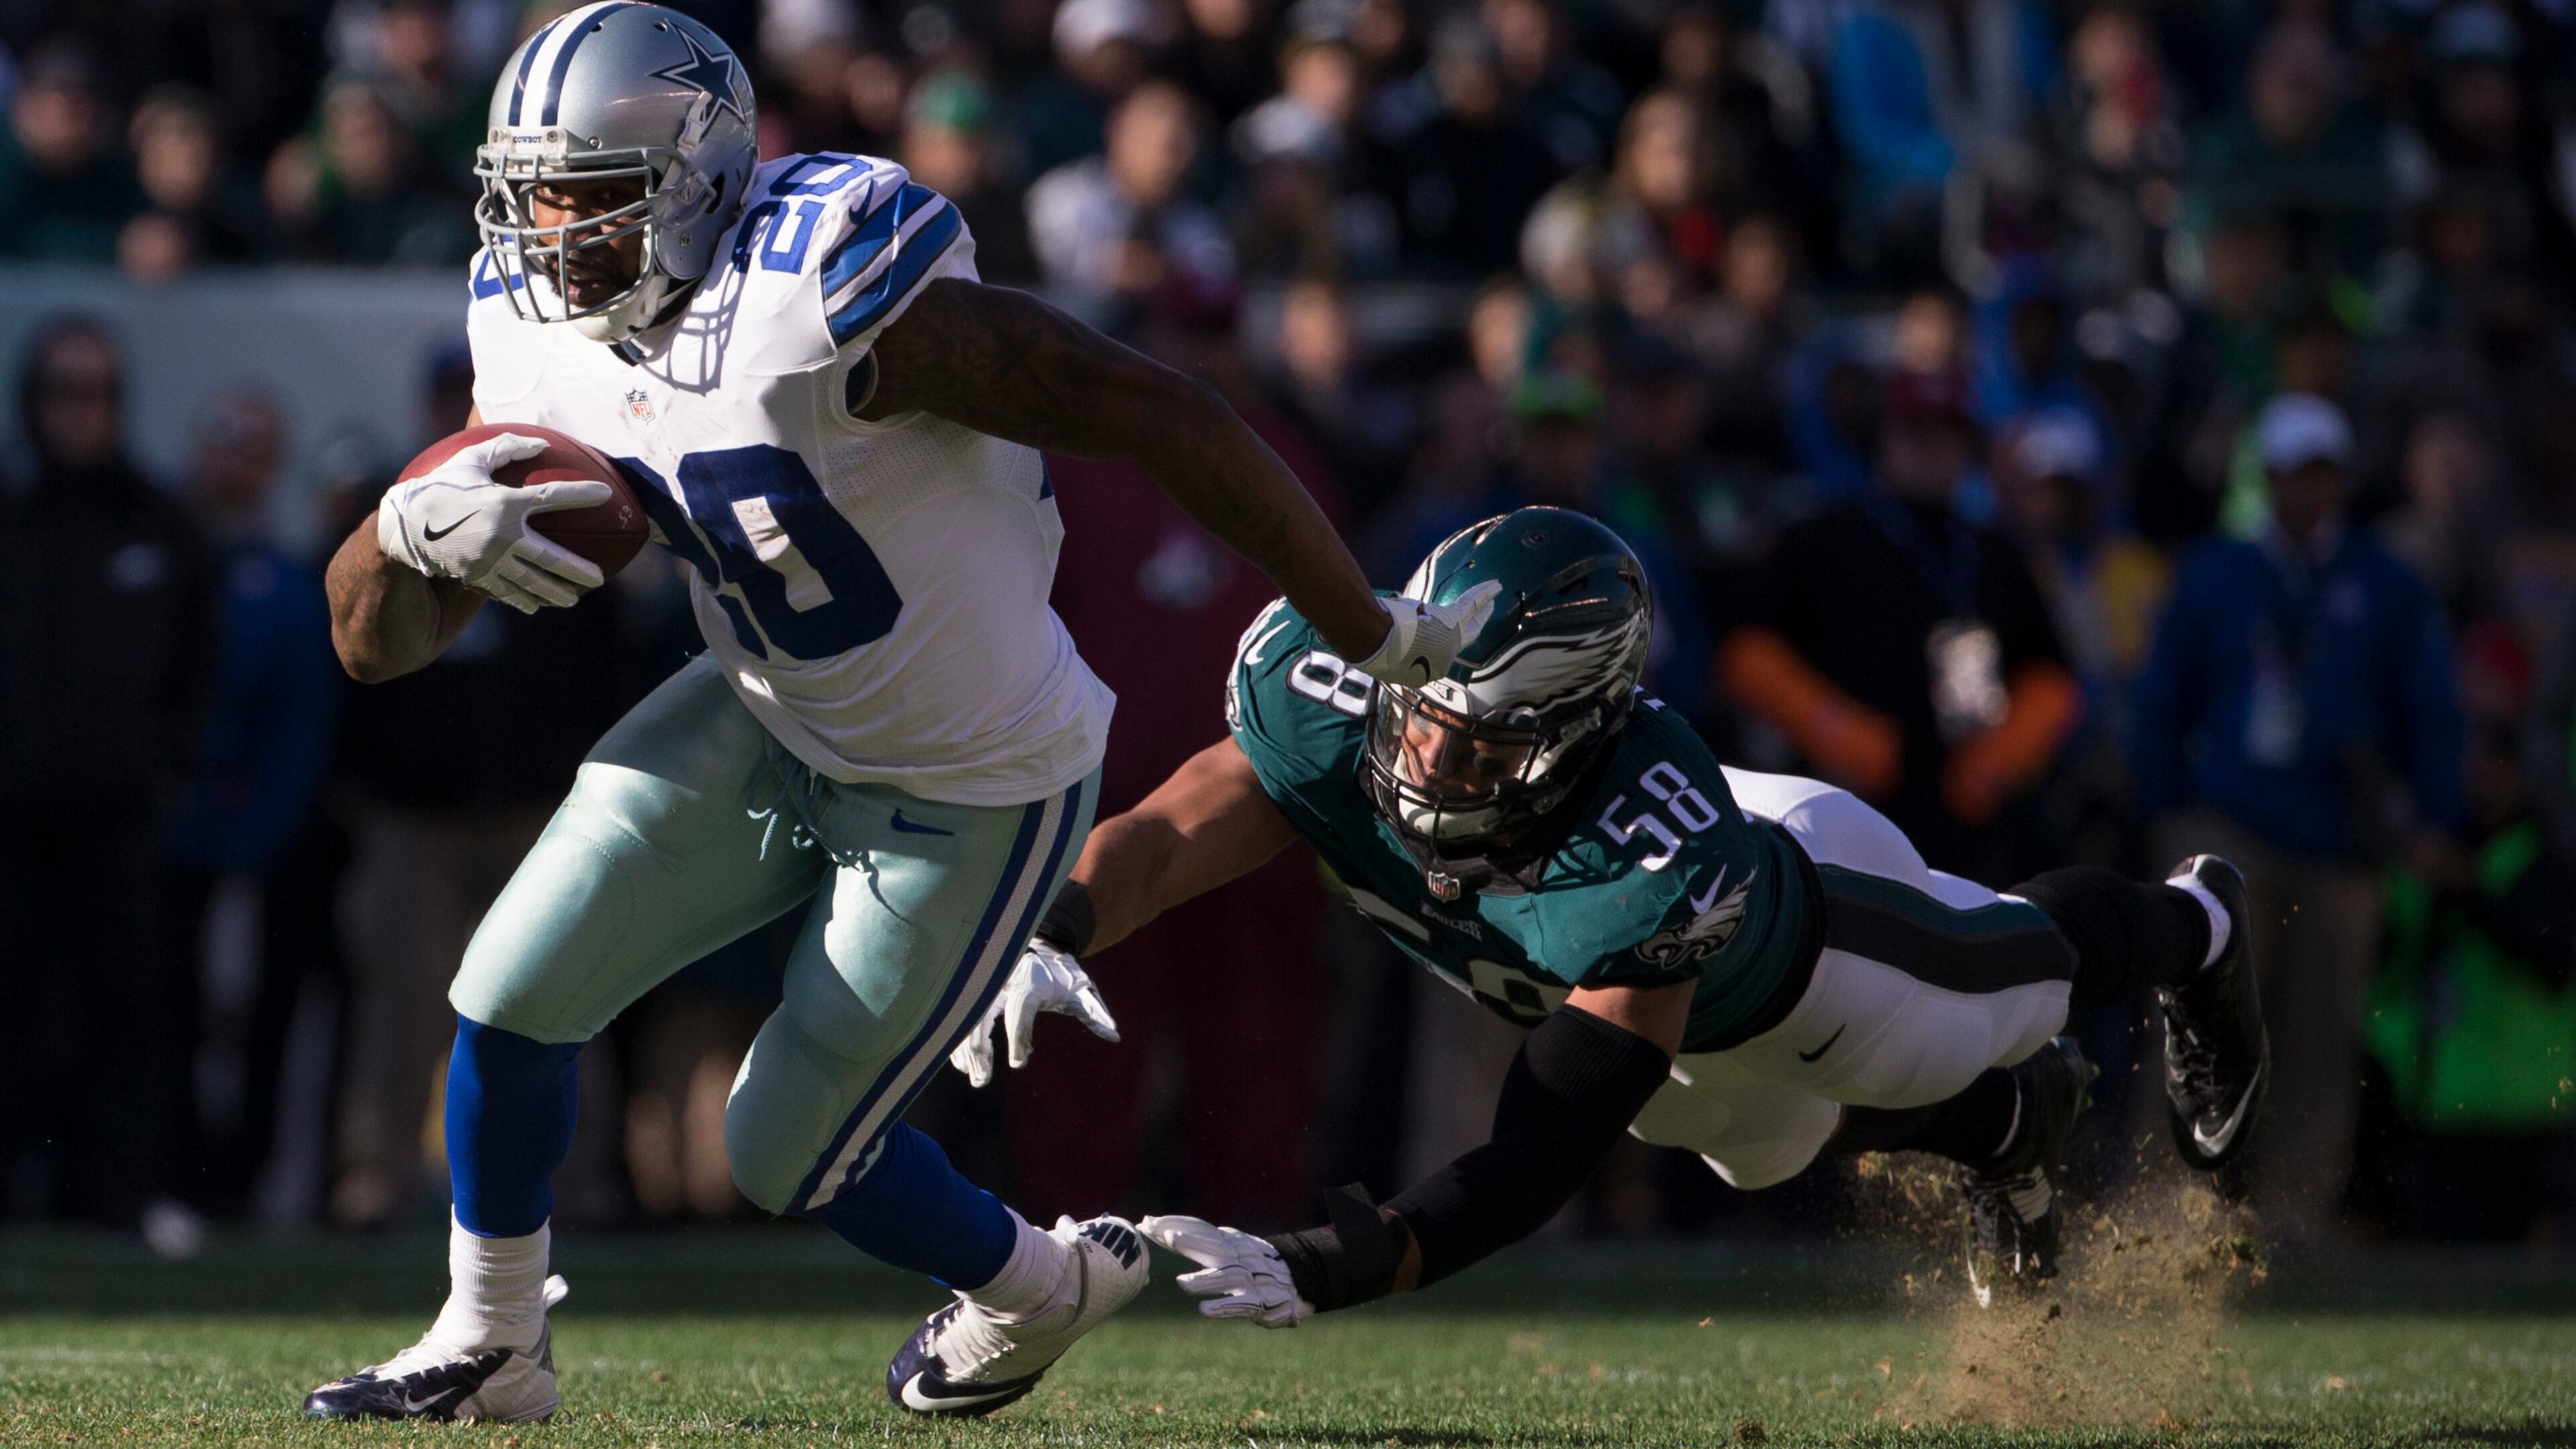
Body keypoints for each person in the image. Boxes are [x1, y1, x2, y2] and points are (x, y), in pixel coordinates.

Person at [301, 4, 1485, 1425]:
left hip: (971, 773)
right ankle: (491, 1339)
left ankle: (1037, 1284)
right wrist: (398, 536)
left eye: (591, 193)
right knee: (507, 991)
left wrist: (1371, 629)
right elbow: (374, 649)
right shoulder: (526, 321)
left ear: (699, 176)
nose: (551, 232)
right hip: (769, 710)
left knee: (781, 1151)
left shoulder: (827, 289)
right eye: (530, 193)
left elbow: (1163, 415)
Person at [953, 507, 2267, 1330]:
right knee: (1753, 1141)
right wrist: (1048, 926)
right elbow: (1166, 835)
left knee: (2005, 990)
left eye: (1476, 748)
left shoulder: (1646, 855)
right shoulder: (1327, 698)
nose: (1423, 766)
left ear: (1574, 734)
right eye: (1416, 717)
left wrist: (1358, 1257)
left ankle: (2199, 925)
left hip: (1813, 936)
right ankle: (2013, 1127)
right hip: (1656, 1010)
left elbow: (1546, 1143)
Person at [2131, 392, 2464, 1243]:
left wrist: (2434, 814)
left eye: (2321, 473)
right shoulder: (2216, 571)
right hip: (2229, 823)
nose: (2306, 489)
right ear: (2267, 477)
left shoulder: (2383, 582)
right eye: (2290, 472)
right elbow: (2160, 698)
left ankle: (2292, 1224)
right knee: (2196, 1022)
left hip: (2339, 839)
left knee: (2319, 1039)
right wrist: (2162, 810)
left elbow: (2430, 708)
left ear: (2341, 480)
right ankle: (2161, 1216)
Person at [0, 317, 219, 1243]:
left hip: (122, 822)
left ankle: (119, 1194)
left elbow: (199, 666)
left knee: (127, 1010)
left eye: (98, 392)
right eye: (63, 391)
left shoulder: (161, 522)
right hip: (11, 823)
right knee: (11, 1005)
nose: (80, 411)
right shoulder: (10, 518)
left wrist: (170, 768)